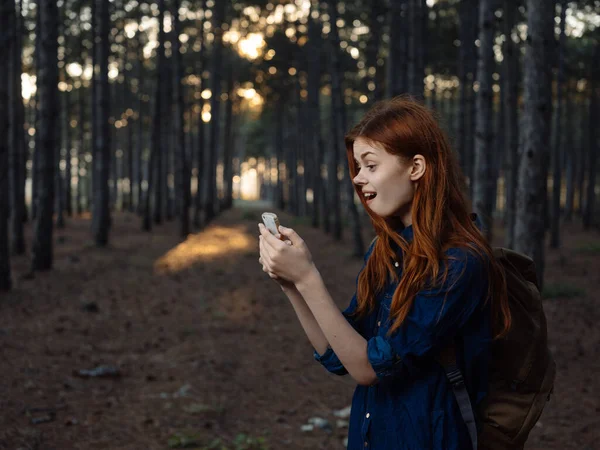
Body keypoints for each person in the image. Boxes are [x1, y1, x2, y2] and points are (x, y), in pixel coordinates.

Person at [257, 96, 510, 450]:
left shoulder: (459, 263)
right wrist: (291, 285)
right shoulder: (385, 250)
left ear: (416, 167)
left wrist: (307, 277)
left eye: (371, 165)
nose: (359, 179)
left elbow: (369, 369)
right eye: (358, 167)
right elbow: (340, 354)